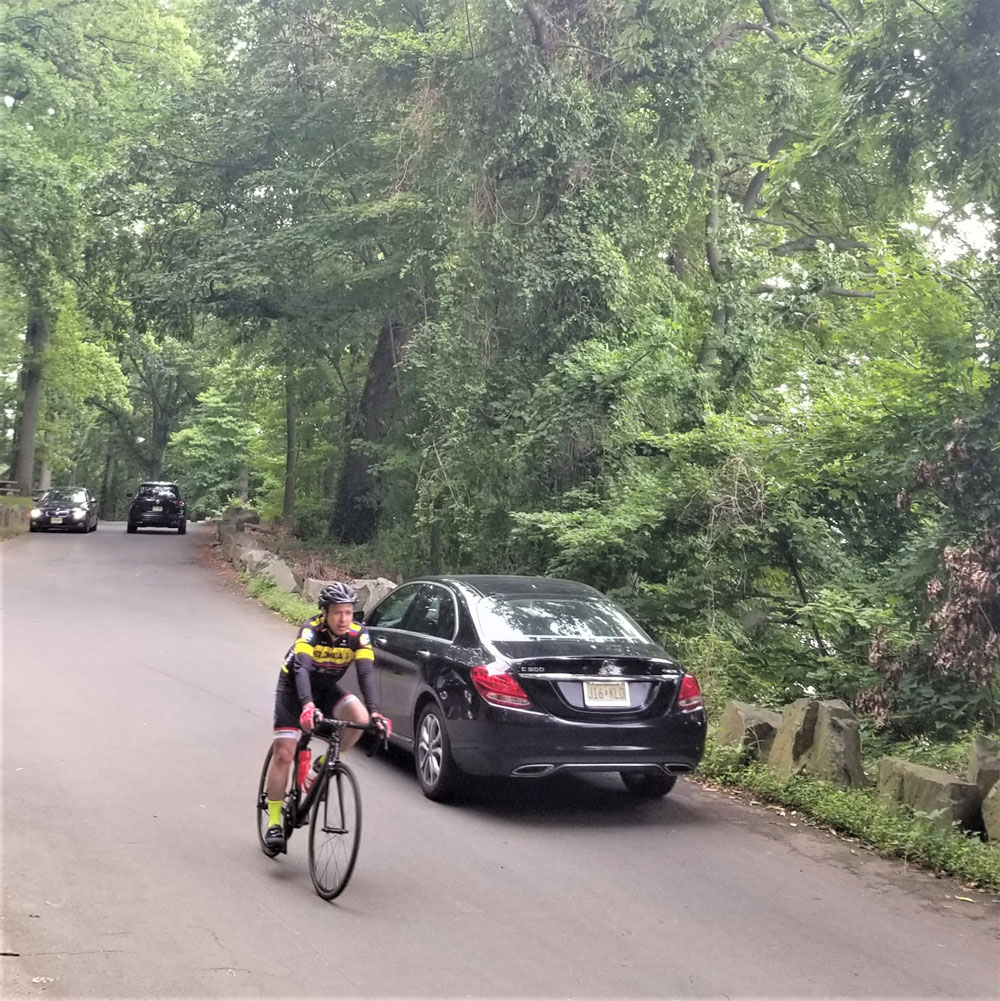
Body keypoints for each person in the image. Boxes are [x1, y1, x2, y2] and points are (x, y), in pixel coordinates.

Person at [262, 581, 390, 854]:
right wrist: (307, 706)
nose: (344, 619)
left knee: (360, 716)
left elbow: (366, 674)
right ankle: (274, 822)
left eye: (348, 612)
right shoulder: (310, 632)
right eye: (337, 613)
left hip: (325, 689)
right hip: (295, 689)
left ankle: (326, 762)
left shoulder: (358, 634)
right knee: (284, 753)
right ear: (325, 613)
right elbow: (302, 671)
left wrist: (376, 712)